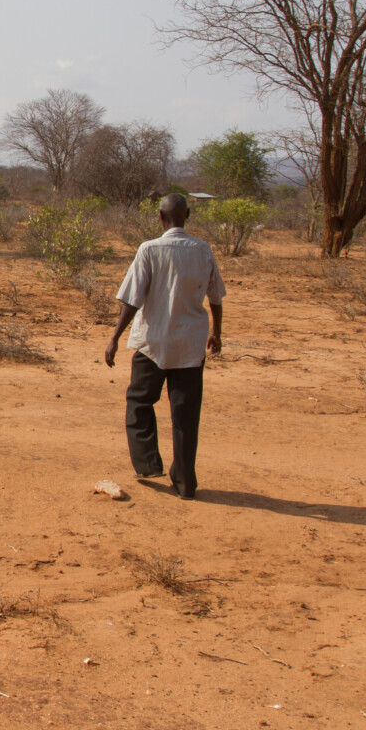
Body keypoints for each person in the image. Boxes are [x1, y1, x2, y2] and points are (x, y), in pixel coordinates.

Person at [103, 194, 225, 500]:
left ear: (160, 217)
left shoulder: (149, 249)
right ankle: (185, 483)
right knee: (185, 415)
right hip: (189, 345)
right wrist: (216, 333)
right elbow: (216, 296)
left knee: (139, 401)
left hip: (152, 343)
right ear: (189, 215)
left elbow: (133, 299)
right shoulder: (202, 250)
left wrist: (115, 336)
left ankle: (147, 464)